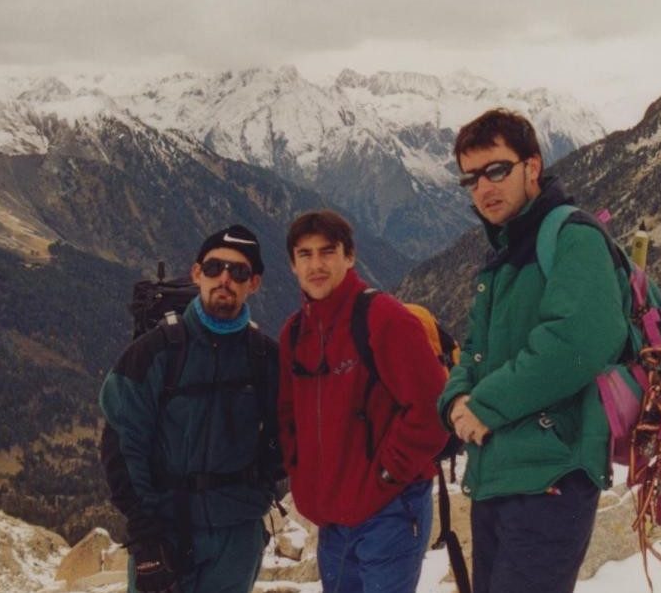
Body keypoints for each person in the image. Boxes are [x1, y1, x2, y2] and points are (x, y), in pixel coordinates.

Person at [438, 109, 628, 593]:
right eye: (471, 178)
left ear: (532, 167)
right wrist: (456, 401)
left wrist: (483, 405)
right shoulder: (503, 254)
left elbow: (579, 341)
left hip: (552, 476)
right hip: (498, 474)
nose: (484, 187)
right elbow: (474, 350)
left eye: (497, 169)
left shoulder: (572, 236)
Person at [100, 225, 283, 593]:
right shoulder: (154, 352)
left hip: (237, 533)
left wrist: (260, 488)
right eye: (215, 267)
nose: (225, 279)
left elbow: (288, 432)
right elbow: (121, 443)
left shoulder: (265, 357)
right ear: (197, 273)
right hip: (165, 528)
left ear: (255, 283)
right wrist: (145, 533)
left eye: (240, 272)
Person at [277, 210, 449, 593]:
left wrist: (387, 475)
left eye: (327, 252)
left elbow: (432, 408)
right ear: (292, 265)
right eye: (305, 255)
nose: (316, 265)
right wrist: (301, 473)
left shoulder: (383, 318)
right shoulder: (294, 332)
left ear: (349, 256)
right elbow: (288, 416)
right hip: (332, 517)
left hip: (390, 511)